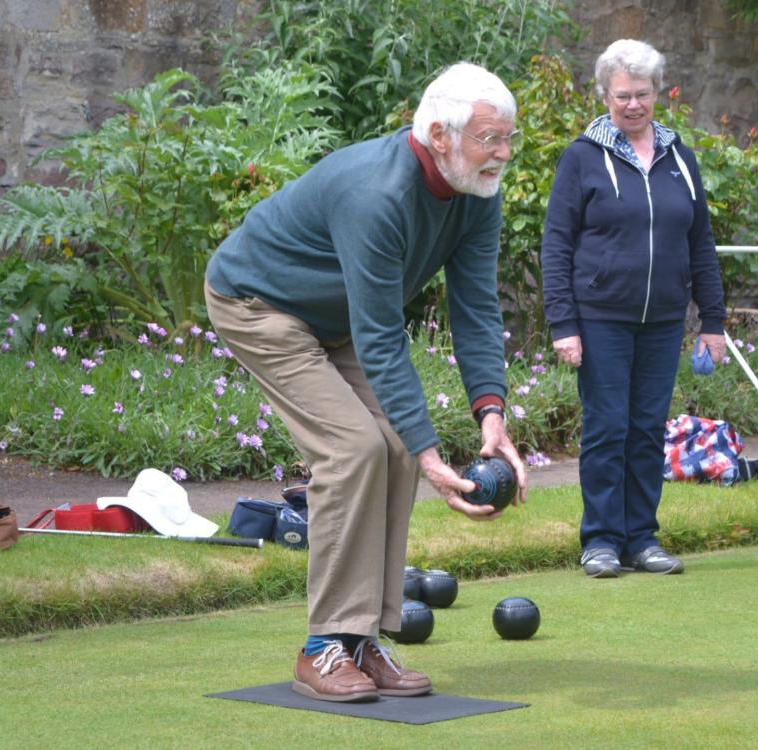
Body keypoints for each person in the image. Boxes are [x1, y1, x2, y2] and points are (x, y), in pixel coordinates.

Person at [204, 62, 527, 703]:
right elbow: (381, 338)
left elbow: (476, 309)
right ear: (439, 135)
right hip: (259, 303)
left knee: (399, 446)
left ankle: (362, 640)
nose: (503, 153)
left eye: (508, 138)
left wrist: (492, 414)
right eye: (490, 138)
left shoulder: (476, 194)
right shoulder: (376, 196)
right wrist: (439, 461)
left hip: (337, 314)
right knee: (353, 449)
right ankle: (323, 647)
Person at [541, 39, 727, 578]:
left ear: (657, 94)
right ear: (605, 95)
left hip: (664, 320)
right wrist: (563, 323)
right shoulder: (581, 157)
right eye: (622, 95)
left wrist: (712, 320)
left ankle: (642, 538)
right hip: (600, 318)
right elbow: (556, 244)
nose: (632, 105)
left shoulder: (679, 157)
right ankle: (600, 540)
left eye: (642, 94)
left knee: (647, 428)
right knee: (607, 428)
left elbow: (701, 243)